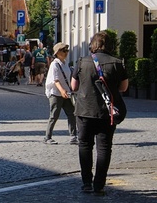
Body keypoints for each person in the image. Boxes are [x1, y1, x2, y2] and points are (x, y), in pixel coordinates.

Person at [71, 31, 129, 196]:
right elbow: (124, 87)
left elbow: (74, 86)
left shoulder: (82, 61)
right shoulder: (117, 63)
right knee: (104, 148)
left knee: (85, 145)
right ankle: (99, 185)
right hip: (107, 111)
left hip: (85, 110)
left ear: (93, 45)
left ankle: (86, 183)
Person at [44, 41, 77, 145]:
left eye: (67, 50)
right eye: (64, 51)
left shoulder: (66, 63)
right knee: (54, 115)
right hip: (55, 93)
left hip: (66, 93)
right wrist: (62, 91)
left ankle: (73, 136)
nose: (66, 52)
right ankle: (47, 137)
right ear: (57, 53)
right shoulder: (54, 64)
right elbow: (56, 80)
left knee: (71, 114)